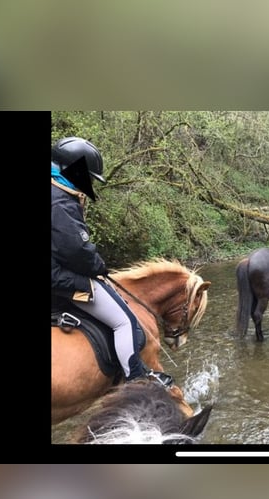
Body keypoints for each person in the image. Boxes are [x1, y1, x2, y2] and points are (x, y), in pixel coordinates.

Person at [52, 136, 160, 382]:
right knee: (125, 322)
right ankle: (137, 379)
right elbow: (75, 251)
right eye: (88, 176)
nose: (89, 182)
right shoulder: (60, 202)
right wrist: (99, 266)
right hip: (58, 278)